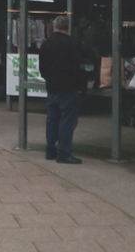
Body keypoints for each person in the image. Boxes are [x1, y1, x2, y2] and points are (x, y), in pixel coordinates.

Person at [39, 15, 88, 164]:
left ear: (54, 27)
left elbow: (42, 68)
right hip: (69, 88)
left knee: (52, 119)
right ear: (68, 27)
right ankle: (64, 152)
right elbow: (77, 68)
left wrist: (50, 79)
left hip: (52, 87)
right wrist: (81, 84)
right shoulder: (73, 44)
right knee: (67, 121)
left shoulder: (46, 44)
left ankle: (50, 149)